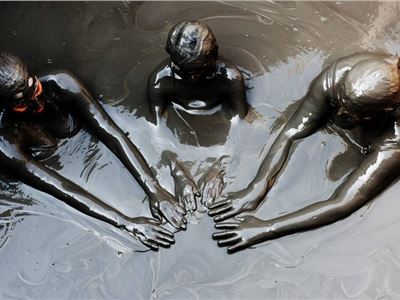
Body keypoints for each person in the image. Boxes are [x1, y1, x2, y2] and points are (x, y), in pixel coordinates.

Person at [0, 52, 199, 250]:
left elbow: (110, 133)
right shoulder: (7, 140)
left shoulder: (61, 83)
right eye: (23, 104)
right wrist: (125, 223)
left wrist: (154, 188)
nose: (37, 102)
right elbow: (57, 185)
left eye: (35, 89)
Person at [211, 52, 400, 252]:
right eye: (338, 103)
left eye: (351, 114)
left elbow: (344, 201)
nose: (338, 115)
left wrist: (267, 228)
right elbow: (292, 132)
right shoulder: (337, 77)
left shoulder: (395, 140)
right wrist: (257, 187)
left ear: (385, 111)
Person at [147, 21, 248, 123]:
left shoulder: (230, 78)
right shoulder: (161, 82)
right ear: (172, 59)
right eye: (184, 71)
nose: (193, 78)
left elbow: (240, 117)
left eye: (201, 70)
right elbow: (157, 122)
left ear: (215, 56)